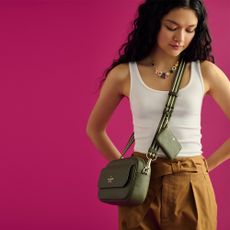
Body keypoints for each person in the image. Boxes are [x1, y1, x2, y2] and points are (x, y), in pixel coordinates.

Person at [86, 0, 230, 229]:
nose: (180, 38)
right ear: (154, 24)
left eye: (189, 30)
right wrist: (125, 169)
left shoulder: (205, 72)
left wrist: (206, 166)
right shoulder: (124, 74)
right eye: (171, 27)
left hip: (191, 180)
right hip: (142, 182)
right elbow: (94, 129)